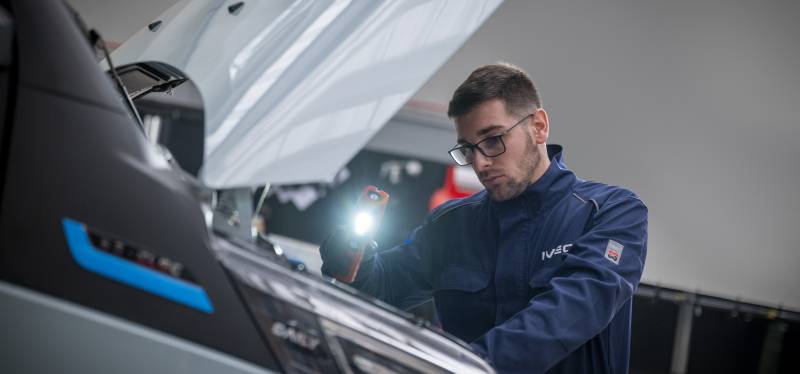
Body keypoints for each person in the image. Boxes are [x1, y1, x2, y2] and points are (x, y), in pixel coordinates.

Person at [320, 63, 648, 374]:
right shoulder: (451, 226)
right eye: (467, 149)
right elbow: (384, 285)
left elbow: (571, 311)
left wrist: (464, 366)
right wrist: (351, 263)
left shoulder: (611, 213)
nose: (479, 164)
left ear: (539, 127)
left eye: (493, 140)